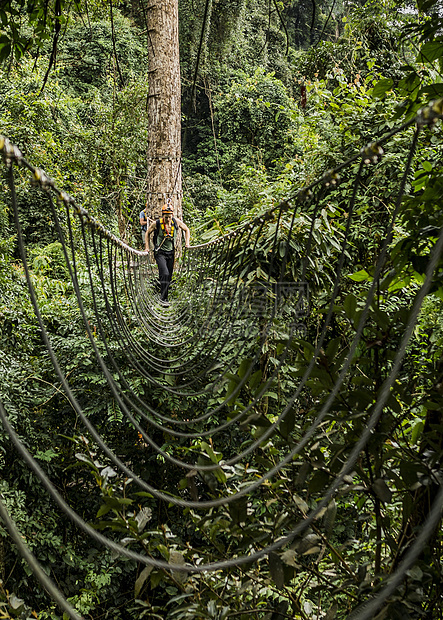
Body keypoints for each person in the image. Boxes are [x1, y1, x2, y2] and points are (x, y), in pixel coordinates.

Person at [145, 200, 190, 302]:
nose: (168, 219)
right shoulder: (157, 223)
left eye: (169, 217)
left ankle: (164, 296)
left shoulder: (175, 222)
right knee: (164, 273)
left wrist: (187, 243)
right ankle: (163, 299)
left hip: (171, 253)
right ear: (163, 215)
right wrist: (147, 247)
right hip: (160, 252)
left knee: (168, 276)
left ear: (172, 215)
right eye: (166, 217)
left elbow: (187, 229)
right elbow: (147, 233)